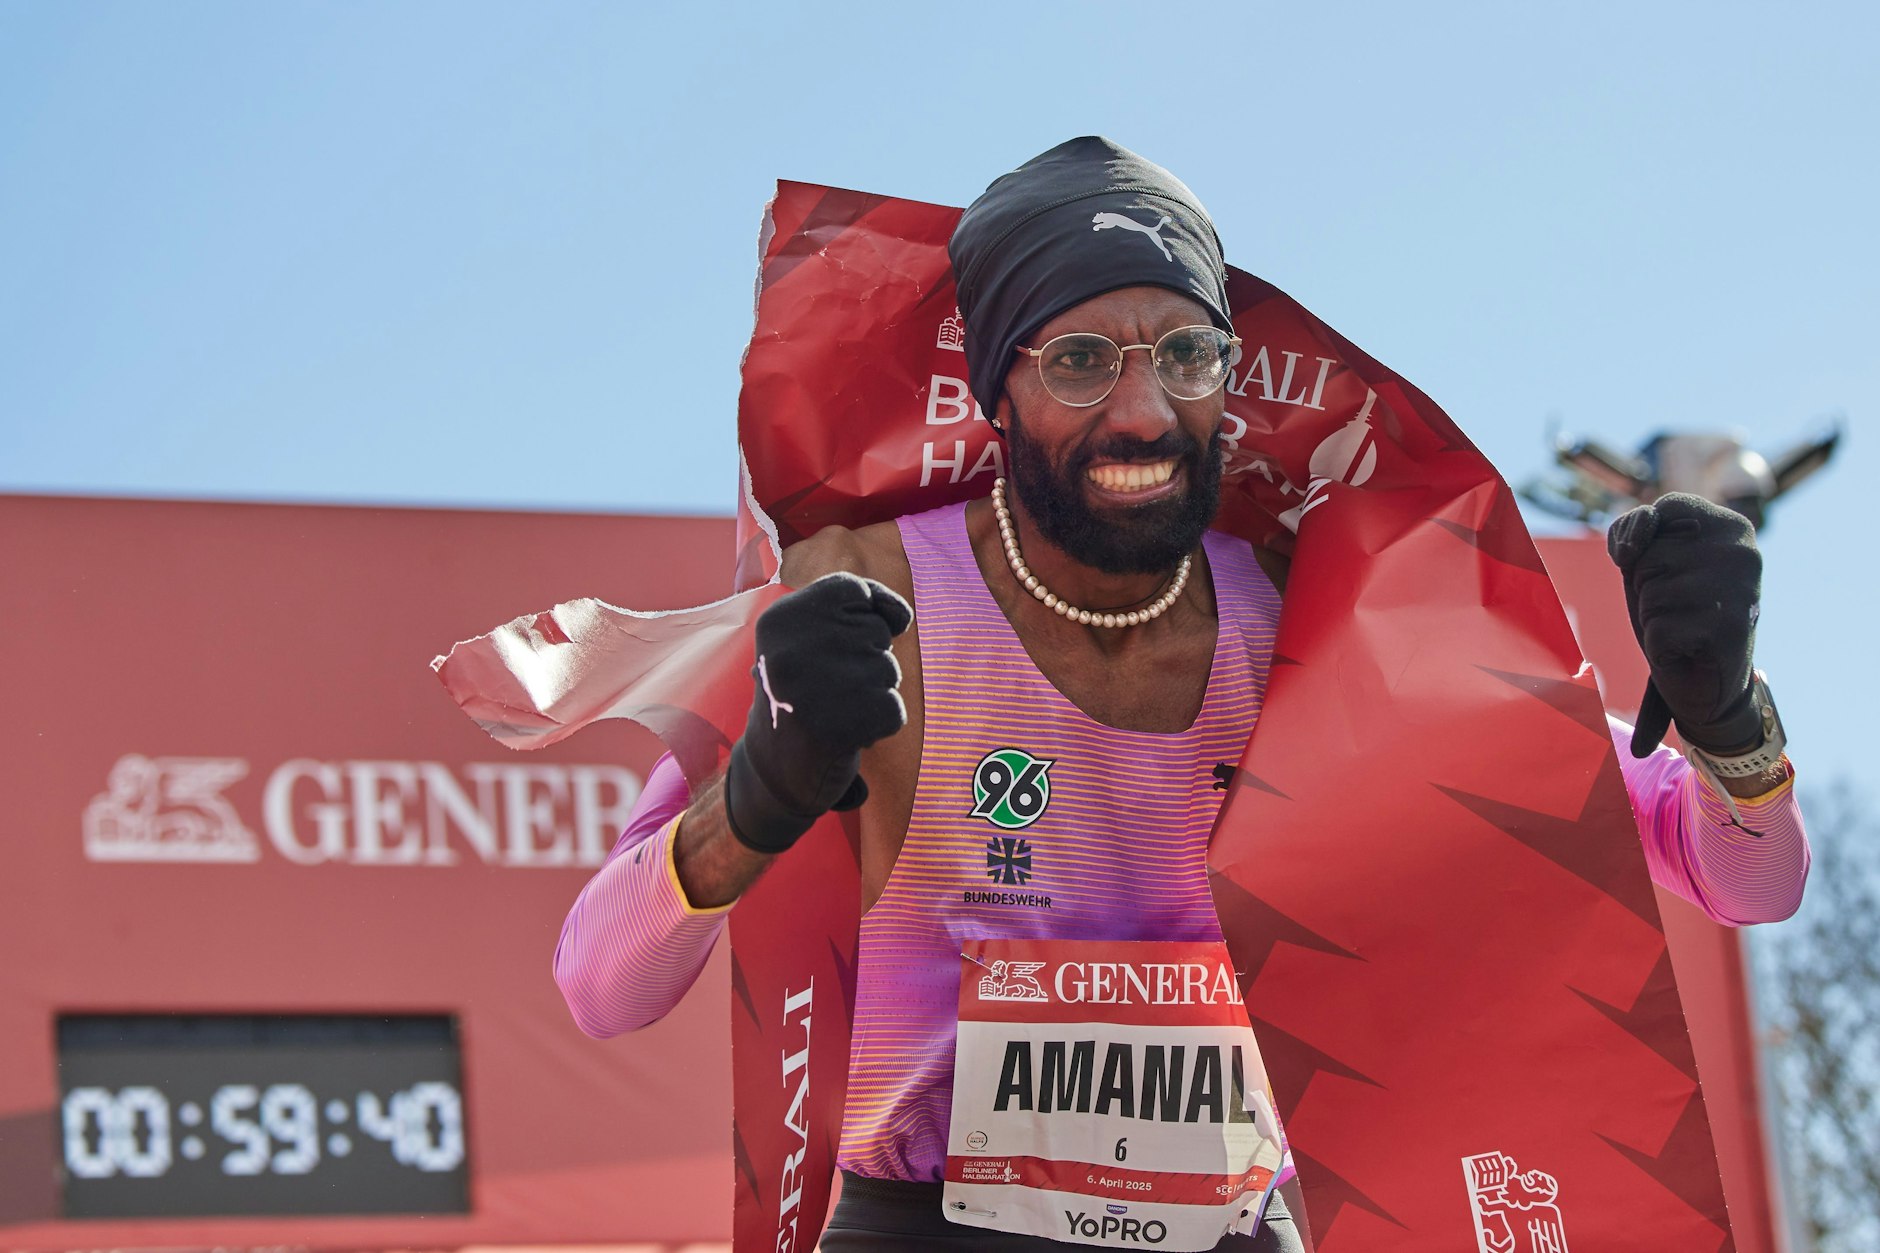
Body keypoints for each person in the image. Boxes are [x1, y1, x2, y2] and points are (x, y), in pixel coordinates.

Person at [551, 138, 1808, 1252]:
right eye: (1084, 358)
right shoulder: (869, 608)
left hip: (1232, 1229)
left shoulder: (1316, 620)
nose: (1143, 409)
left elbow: (1750, 880)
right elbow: (602, 985)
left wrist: (1724, 718)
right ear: (997, 389)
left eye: (1186, 353)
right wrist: (759, 797)